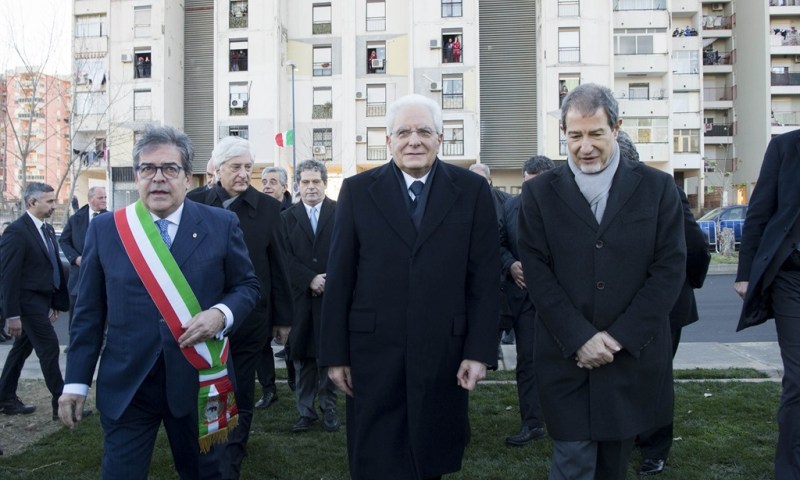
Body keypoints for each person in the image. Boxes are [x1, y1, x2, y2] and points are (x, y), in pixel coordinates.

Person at [58, 126, 260, 479]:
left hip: (200, 379)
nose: (158, 178)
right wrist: (75, 382)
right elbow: (88, 315)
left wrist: (220, 314)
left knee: (206, 473)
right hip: (128, 384)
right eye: (147, 169)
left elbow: (247, 286)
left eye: (170, 169)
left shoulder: (221, 223)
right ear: (136, 176)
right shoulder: (107, 229)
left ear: (188, 176)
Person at [319, 94, 500, 479]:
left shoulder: (471, 191)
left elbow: (484, 278)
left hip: (443, 355)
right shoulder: (356, 191)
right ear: (388, 140)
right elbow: (340, 277)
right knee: (376, 459)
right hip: (372, 355)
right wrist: (335, 354)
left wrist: (479, 351)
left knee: (429, 458)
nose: (413, 140)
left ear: (441, 138)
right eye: (403, 132)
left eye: (423, 131)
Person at [517, 83, 685, 480]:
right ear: (564, 134)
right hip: (565, 356)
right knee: (571, 461)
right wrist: (580, 338)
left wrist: (619, 337)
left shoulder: (657, 189)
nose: (585, 146)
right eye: (575, 136)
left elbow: (669, 269)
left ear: (617, 127)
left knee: (614, 465)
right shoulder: (539, 193)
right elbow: (537, 273)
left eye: (596, 134)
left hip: (629, 359)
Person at [188, 136, 293, 479]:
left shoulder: (267, 208)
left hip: (250, 320)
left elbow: (279, 265)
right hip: (200, 321)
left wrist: (283, 318)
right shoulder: (194, 202)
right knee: (205, 388)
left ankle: (231, 458)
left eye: (249, 167)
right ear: (217, 169)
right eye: (236, 167)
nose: (244, 174)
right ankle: (206, 448)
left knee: (241, 391)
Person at [616, 130, 711, 475]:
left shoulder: (663, 188)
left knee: (655, 377)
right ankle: (629, 436)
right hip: (622, 303)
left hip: (665, 301)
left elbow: (694, 245)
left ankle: (655, 448)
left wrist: (691, 284)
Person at [735, 128, 800, 479]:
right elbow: (758, 214)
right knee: (799, 378)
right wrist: (744, 273)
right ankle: (790, 470)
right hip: (793, 277)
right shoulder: (785, 148)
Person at [0, 183, 79, 420]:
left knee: (20, 351)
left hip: (42, 301)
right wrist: (12, 315)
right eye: (50, 201)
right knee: (50, 347)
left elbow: (50, 267)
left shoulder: (44, 229)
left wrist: (54, 301)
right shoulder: (17, 232)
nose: (54, 205)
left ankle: (5, 397)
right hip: (26, 304)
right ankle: (61, 404)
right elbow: (8, 276)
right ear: (32, 203)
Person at [499, 155, 554, 447]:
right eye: (526, 183)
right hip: (523, 300)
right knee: (527, 362)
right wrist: (510, 265)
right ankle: (532, 423)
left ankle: (567, 420)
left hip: (561, 300)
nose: (530, 190)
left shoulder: (567, 205)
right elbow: (499, 243)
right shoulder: (509, 207)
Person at [282, 160, 339, 433]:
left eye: (316, 181)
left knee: (329, 357)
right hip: (300, 300)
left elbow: (348, 251)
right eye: (305, 182)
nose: (311, 187)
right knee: (303, 359)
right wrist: (309, 279)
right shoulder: (286, 217)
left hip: (332, 298)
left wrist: (329, 279)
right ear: (297, 185)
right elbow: (284, 258)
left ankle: (330, 409)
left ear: (325, 183)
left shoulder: (340, 212)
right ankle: (305, 412)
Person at [255, 165, 295, 405]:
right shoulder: (257, 212)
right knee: (262, 343)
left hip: (291, 286)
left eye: (272, 181)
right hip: (264, 287)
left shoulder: (293, 213)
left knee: (291, 340)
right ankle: (269, 389)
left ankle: (294, 381)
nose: (267, 185)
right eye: (264, 181)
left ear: (284, 186)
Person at [59, 186, 108, 335]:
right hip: (79, 274)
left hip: (102, 273)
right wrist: (75, 258)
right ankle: (73, 338)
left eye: (105, 197)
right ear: (91, 199)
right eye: (101, 198)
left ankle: (101, 340)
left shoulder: (110, 218)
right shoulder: (76, 219)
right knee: (75, 308)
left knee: (101, 307)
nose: (104, 200)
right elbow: (64, 241)